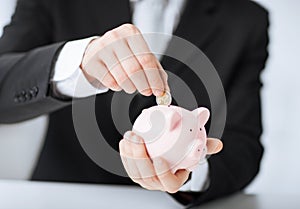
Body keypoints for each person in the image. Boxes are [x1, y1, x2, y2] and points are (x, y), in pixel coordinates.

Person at [0, 0, 269, 206]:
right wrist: (79, 62)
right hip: (61, 199)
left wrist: (190, 169)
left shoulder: (246, 19)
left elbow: (242, 147)